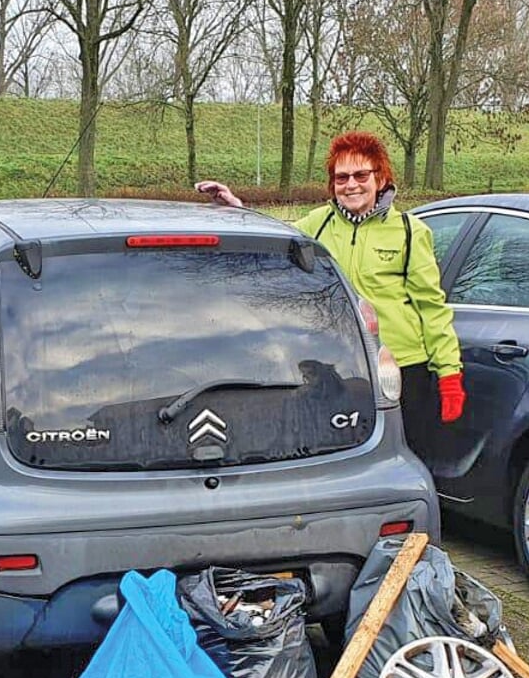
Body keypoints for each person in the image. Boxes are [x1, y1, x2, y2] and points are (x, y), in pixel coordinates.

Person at [195, 131, 464, 456]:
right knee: (345, 459)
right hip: (344, 367)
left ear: (380, 178)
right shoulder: (318, 225)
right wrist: (237, 208)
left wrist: (449, 375)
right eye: (341, 178)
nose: (351, 184)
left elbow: (432, 309)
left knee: (405, 459)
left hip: (400, 370)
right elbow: (272, 239)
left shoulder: (410, 232)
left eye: (361, 175)